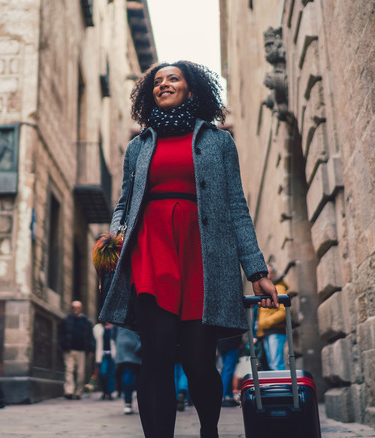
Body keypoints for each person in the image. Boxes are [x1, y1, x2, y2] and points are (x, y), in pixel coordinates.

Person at [98, 60, 279, 438]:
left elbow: (236, 207)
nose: (163, 84)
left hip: (204, 256)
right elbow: (124, 203)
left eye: (172, 78)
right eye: (157, 81)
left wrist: (257, 271)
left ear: (191, 89)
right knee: (158, 356)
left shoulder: (218, 141)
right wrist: (116, 236)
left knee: (199, 362)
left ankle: (208, 429)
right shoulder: (138, 145)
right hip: (151, 251)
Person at [58, 301, 96, 400]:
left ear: (81, 308)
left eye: (78, 307)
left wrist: (91, 348)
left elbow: (90, 336)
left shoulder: (86, 321)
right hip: (69, 349)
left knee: (80, 373)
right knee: (69, 370)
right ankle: (69, 391)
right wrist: (63, 345)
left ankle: (79, 391)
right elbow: (61, 333)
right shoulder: (66, 320)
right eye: (73, 307)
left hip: (81, 350)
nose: (76, 309)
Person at [257, 265, 288, 370]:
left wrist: (265, 323)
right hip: (267, 332)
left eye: (267, 272)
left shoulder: (279, 288)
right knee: (272, 365)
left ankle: (282, 386)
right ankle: (278, 385)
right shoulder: (266, 290)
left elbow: (284, 311)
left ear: (273, 273)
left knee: (276, 364)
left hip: (276, 331)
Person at [114, 326, 142, 414]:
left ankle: (127, 403)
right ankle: (142, 403)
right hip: (135, 341)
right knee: (139, 374)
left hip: (122, 341)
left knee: (127, 372)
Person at [217, 335, 242, 407]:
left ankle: (229, 396)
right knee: (228, 370)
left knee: (227, 369)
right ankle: (223, 396)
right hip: (232, 343)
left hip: (221, 343)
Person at [93, 321, 116, 400]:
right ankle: (104, 390)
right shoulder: (98, 327)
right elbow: (96, 338)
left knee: (111, 374)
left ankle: (109, 393)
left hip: (112, 354)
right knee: (103, 373)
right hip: (102, 354)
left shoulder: (114, 327)